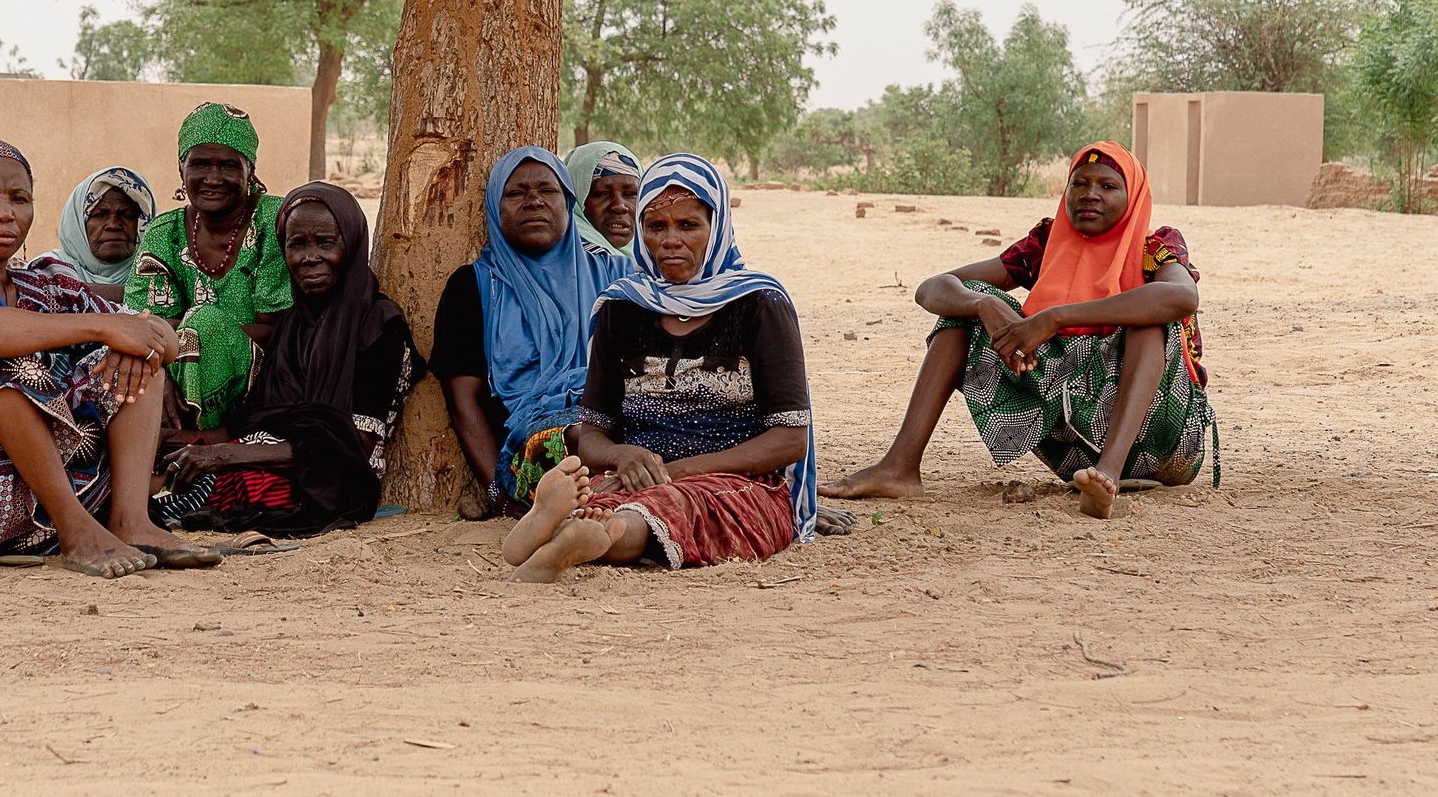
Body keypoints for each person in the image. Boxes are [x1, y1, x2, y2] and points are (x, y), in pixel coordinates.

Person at [0, 133, 222, 575]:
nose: (5, 212)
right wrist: (104, 326)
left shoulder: (45, 284)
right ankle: (76, 532)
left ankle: (131, 521)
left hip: (25, 511)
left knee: (137, 358)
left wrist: (137, 342)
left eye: (19, 199)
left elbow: (161, 339)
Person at [822, 141, 1215, 519]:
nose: (1089, 194)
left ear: (1134, 197)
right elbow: (933, 287)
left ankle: (1109, 476)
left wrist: (1054, 317)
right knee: (967, 300)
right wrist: (983, 304)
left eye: (1108, 186)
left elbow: (1182, 297)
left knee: (1148, 317)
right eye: (1078, 183)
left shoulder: (1155, 247)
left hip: (1166, 444)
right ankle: (900, 466)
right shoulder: (1047, 244)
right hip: (1074, 447)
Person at [502, 154, 818, 582]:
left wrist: (676, 472)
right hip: (636, 474)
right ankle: (563, 528)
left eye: (688, 226)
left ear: (717, 226)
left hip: (737, 477)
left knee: (684, 507)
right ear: (641, 233)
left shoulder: (759, 305)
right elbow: (594, 431)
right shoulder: (622, 306)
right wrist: (620, 454)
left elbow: (790, 439)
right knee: (604, 498)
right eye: (656, 227)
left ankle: (584, 538)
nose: (671, 240)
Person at [157, 183, 420, 536]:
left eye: (326, 243)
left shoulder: (379, 327)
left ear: (352, 245)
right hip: (268, 455)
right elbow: (252, 425)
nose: (309, 257)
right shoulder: (292, 327)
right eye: (297, 245)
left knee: (200, 494)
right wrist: (170, 440)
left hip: (332, 480)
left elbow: (353, 446)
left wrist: (219, 456)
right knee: (158, 472)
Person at [434, 147, 632, 513]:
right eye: (516, 193)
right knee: (572, 443)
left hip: (622, 421)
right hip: (537, 446)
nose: (534, 202)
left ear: (568, 202)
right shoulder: (475, 287)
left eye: (548, 191)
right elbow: (463, 401)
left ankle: (612, 509)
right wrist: (500, 496)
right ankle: (576, 507)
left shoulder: (617, 276)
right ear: (496, 205)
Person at [127, 103, 292, 432]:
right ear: (181, 168)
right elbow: (144, 322)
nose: (213, 178)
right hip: (172, 365)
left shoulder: (274, 222)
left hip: (264, 382)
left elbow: (277, 328)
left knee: (204, 322)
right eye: (200, 163)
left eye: (229, 166)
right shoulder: (165, 234)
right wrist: (162, 368)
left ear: (251, 171)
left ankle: (202, 440)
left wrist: (192, 342)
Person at [48, 166, 156, 302]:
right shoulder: (49, 269)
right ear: (78, 224)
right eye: (99, 214)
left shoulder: (159, 273)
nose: (113, 225)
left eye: (127, 214)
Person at [565, 141, 642, 258]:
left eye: (630, 194)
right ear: (575, 199)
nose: (619, 206)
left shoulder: (647, 255)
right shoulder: (578, 259)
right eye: (602, 194)